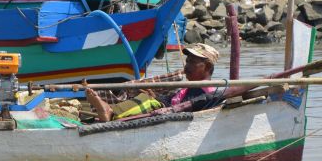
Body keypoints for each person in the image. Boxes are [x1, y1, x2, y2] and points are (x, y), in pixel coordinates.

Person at [86, 43, 221, 121]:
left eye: (192, 62)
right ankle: (109, 110)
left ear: (207, 67)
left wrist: (157, 100)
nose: (187, 66)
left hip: (167, 110)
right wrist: (157, 96)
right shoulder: (189, 86)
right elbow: (175, 99)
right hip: (166, 103)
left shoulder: (206, 90)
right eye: (187, 61)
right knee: (145, 96)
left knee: (147, 101)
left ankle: (111, 113)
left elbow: (186, 106)